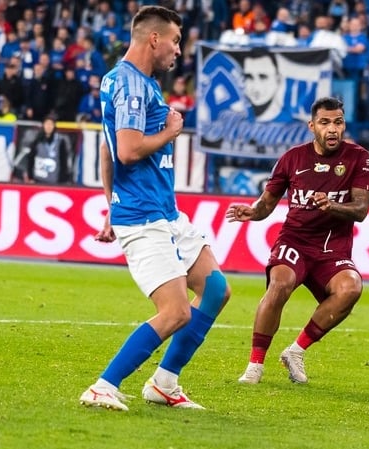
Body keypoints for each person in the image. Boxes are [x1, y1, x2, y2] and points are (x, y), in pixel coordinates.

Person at [79, 5, 230, 412]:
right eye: (176, 41)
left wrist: (109, 204)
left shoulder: (141, 83)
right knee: (176, 311)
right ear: (154, 39)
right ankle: (103, 385)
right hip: (144, 217)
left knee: (215, 289)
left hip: (164, 211)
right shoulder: (129, 85)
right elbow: (127, 151)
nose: (179, 51)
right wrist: (170, 132)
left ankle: (165, 383)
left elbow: (109, 151)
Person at [226, 96, 369, 384]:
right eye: (325, 122)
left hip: (332, 249)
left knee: (351, 288)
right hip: (295, 241)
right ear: (312, 126)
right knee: (280, 283)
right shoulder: (293, 158)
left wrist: (332, 205)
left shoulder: (359, 158)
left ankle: (295, 351)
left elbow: (361, 210)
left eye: (338, 122)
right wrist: (252, 212)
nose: (332, 129)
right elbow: (267, 203)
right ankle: (255, 365)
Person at [21, 114, 74, 184]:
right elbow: (31, 160)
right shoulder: (37, 141)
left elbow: (63, 162)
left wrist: (62, 180)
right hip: (38, 180)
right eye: (47, 124)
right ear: (43, 125)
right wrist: (30, 177)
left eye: (51, 124)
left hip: (54, 181)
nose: (49, 127)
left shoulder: (60, 141)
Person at [240, 48, 288, 122]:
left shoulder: (296, 127)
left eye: (263, 77)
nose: (256, 87)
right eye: (249, 77)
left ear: (278, 79)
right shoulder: (234, 120)